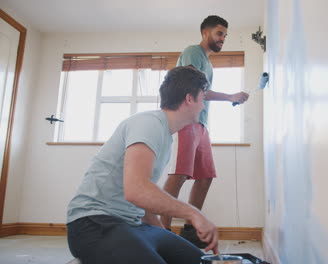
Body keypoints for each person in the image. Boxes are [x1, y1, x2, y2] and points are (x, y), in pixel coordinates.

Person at [66, 66, 218, 264]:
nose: (203, 106)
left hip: (133, 225)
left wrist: (165, 236)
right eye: (202, 99)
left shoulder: (165, 136)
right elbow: (136, 190)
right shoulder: (149, 123)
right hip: (94, 223)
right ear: (189, 99)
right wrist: (193, 213)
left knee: (200, 261)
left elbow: (143, 199)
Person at [161, 15, 249, 248]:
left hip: (201, 124)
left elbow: (203, 90)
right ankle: (162, 230)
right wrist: (230, 96)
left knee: (205, 177)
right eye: (219, 33)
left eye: (225, 35)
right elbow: (194, 88)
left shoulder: (207, 64)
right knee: (179, 174)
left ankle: (190, 232)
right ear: (205, 33)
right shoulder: (193, 52)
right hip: (186, 121)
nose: (223, 39)